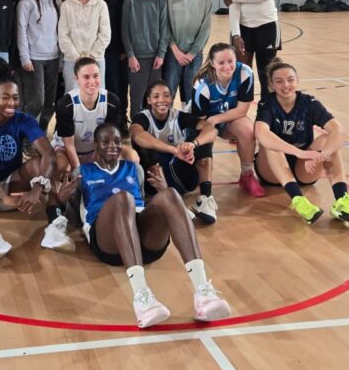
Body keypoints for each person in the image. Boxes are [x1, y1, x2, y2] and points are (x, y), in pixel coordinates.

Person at [68, 123, 230, 328]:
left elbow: (143, 202)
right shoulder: (82, 172)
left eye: (117, 142)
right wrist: (62, 198)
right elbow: (73, 217)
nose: (112, 146)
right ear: (95, 145)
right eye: (105, 142)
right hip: (107, 239)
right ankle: (142, 298)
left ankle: (203, 292)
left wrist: (162, 189)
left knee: (170, 194)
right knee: (123, 199)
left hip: (142, 237)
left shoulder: (134, 169)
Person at [0, 58, 70, 266]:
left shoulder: (23, 119)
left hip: (12, 187)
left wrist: (38, 187)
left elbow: (49, 155)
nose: (11, 103)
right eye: (5, 97)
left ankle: (55, 224)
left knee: (40, 163)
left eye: (15, 98)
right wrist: (3, 196)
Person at [254, 58, 349, 226]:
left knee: (328, 140)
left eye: (290, 80)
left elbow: (339, 131)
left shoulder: (309, 103)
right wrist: (299, 152)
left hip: (304, 168)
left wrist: (321, 155)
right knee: (270, 144)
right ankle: (299, 201)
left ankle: (342, 202)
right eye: (279, 81)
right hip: (272, 172)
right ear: (272, 85)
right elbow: (261, 133)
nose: (285, 85)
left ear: (297, 81)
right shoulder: (267, 104)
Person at [129, 80, 217, 224]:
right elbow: (136, 135)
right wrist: (174, 150)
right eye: (156, 96)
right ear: (149, 100)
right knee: (145, 145)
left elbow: (211, 129)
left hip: (181, 177)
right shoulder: (142, 117)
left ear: (171, 98)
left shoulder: (179, 116)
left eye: (166, 95)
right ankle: (171, 202)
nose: (161, 100)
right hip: (155, 182)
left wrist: (192, 144)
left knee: (203, 138)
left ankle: (205, 199)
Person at [191, 42, 265, 203]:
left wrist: (216, 119)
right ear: (212, 63)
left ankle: (247, 175)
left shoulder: (244, 72)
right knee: (192, 176)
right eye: (221, 62)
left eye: (230, 61)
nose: (227, 66)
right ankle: (198, 173)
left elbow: (242, 110)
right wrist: (209, 129)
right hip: (201, 122)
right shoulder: (202, 84)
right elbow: (199, 121)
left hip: (225, 119)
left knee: (247, 128)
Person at [53, 56, 135, 187]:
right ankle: (56, 194)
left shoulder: (111, 101)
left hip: (96, 149)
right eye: (86, 77)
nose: (92, 82)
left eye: (96, 76)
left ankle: (127, 191)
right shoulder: (65, 104)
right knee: (61, 166)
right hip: (68, 150)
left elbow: (110, 140)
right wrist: (80, 171)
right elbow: (69, 145)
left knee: (132, 157)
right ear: (76, 79)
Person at [17, 0, 62, 133]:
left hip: (53, 58)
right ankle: (25, 136)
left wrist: (61, 60)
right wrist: (25, 58)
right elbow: (21, 30)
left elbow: (60, 32)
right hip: (33, 59)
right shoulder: (26, 2)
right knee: (36, 101)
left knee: (49, 103)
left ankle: (39, 135)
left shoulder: (57, 1)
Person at [122, 0, 170, 117]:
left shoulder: (161, 0)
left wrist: (161, 54)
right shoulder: (130, 1)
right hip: (137, 58)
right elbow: (125, 30)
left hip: (156, 57)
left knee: (155, 98)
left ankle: (154, 126)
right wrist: (131, 55)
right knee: (136, 98)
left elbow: (165, 29)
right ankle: (136, 127)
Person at [164, 0, 212, 104]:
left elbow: (205, 30)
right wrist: (175, 49)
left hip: (194, 55)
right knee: (170, 89)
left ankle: (188, 116)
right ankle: (168, 116)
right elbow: (166, 27)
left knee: (191, 91)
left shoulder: (205, 1)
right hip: (173, 53)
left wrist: (192, 53)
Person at [58, 0, 111, 91]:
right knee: (73, 96)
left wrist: (91, 56)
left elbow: (105, 35)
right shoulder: (65, 6)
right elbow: (63, 36)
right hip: (72, 60)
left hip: (96, 59)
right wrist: (78, 58)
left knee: (97, 95)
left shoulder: (101, 5)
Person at [90, 0, 127, 123]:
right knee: (93, 85)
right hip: (90, 47)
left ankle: (117, 121)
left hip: (112, 47)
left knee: (113, 85)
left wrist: (122, 47)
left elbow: (120, 19)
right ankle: (93, 120)